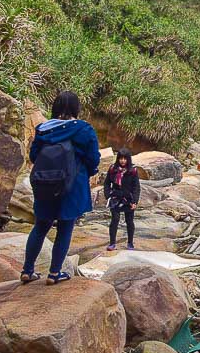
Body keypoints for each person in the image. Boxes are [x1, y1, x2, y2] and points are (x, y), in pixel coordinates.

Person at [23, 91, 100, 285]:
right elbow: (93, 158)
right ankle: (54, 273)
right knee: (65, 227)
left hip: (44, 184)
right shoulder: (83, 129)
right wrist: (89, 172)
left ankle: (27, 270)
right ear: (76, 108)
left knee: (40, 226)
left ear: (55, 107)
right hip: (72, 185)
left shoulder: (43, 129)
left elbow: (34, 157)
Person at [104, 148, 140, 251]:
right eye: (121, 158)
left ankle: (130, 243)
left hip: (128, 199)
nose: (122, 161)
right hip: (115, 198)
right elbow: (107, 183)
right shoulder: (112, 169)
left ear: (128, 159)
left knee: (129, 221)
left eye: (125, 159)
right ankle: (112, 243)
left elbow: (136, 187)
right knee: (114, 220)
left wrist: (135, 201)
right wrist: (108, 195)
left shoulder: (133, 171)